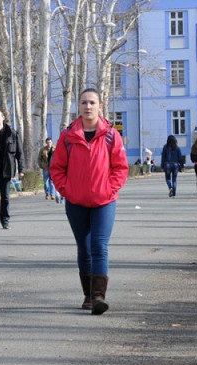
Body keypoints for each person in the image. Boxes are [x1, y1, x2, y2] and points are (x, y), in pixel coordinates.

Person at [50, 88, 129, 315]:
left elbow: (120, 168)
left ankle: (98, 297)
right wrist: (66, 190)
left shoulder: (111, 135)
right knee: (84, 248)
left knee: (99, 247)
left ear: (99, 106)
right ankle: (87, 295)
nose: (87, 106)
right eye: (84, 102)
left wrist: (110, 188)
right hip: (76, 202)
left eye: (92, 102)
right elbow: (57, 168)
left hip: (104, 201)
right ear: (79, 106)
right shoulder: (68, 136)